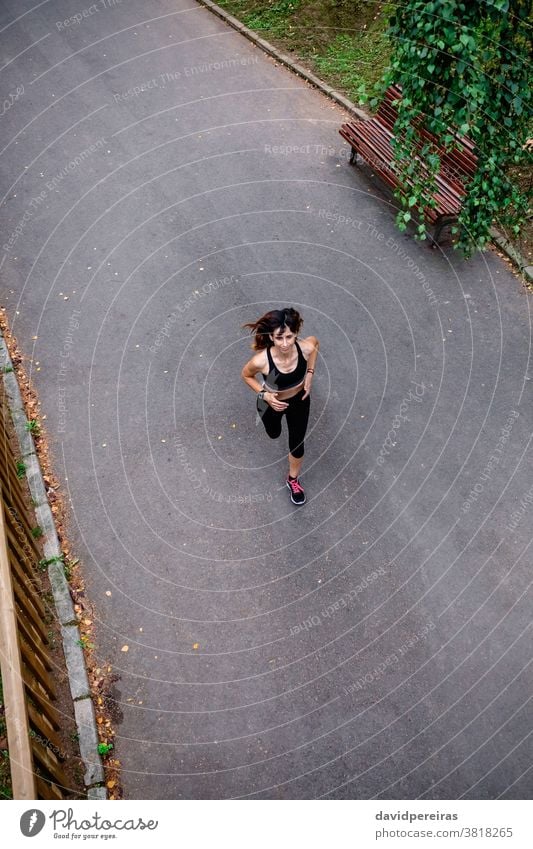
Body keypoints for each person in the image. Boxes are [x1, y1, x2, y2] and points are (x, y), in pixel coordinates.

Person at [241, 307, 319, 505]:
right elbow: (246, 376)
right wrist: (265, 395)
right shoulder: (261, 361)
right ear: (271, 338)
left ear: (296, 334)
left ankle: (293, 480)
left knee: (297, 442)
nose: (285, 344)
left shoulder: (304, 348)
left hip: (299, 401)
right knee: (274, 433)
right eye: (279, 338)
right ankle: (270, 420)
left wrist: (309, 373)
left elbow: (315, 342)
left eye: (289, 337)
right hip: (270, 404)